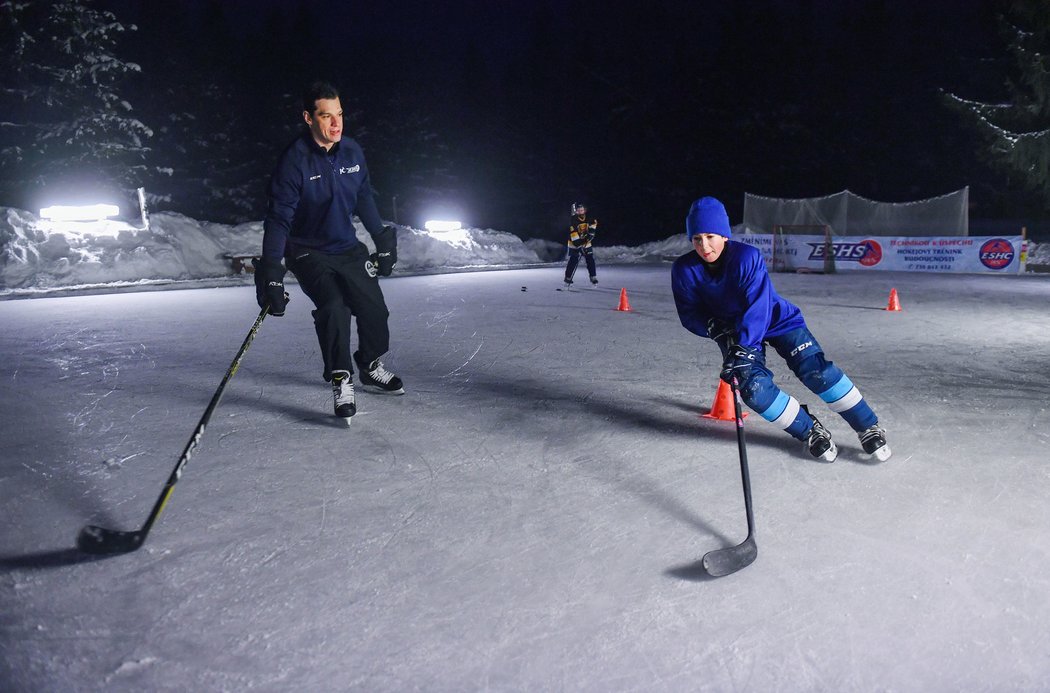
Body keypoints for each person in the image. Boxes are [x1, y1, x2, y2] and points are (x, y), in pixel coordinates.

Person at [671, 196, 890, 462]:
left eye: (710, 236)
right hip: (732, 333)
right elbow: (688, 312)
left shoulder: (746, 257)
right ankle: (809, 430)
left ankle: (867, 425)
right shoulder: (683, 269)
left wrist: (744, 348)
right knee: (753, 390)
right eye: (697, 239)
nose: (704, 246)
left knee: (817, 371)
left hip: (775, 320)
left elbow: (757, 306)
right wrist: (712, 327)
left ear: (725, 235)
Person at [254, 80, 404, 422]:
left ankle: (368, 365)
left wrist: (381, 237)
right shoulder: (294, 161)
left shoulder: (352, 151)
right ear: (309, 118)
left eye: (339, 114)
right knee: (334, 307)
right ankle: (341, 378)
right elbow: (278, 219)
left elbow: (364, 197)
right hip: (307, 250)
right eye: (326, 116)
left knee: (374, 310)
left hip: (347, 247)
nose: (336, 123)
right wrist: (272, 272)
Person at [563, 202, 598, 287]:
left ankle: (593, 276)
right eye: (578, 210)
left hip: (586, 241)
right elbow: (573, 234)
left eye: (582, 210)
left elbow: (593, 224)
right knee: (574, 259)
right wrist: (579, 245)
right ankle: (568, 278)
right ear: (576, 212)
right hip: (574, 242)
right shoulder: (573, 220)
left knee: (590, 258)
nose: (580, 212)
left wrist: (591, 234)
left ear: (584, 210)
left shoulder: (588, 217)